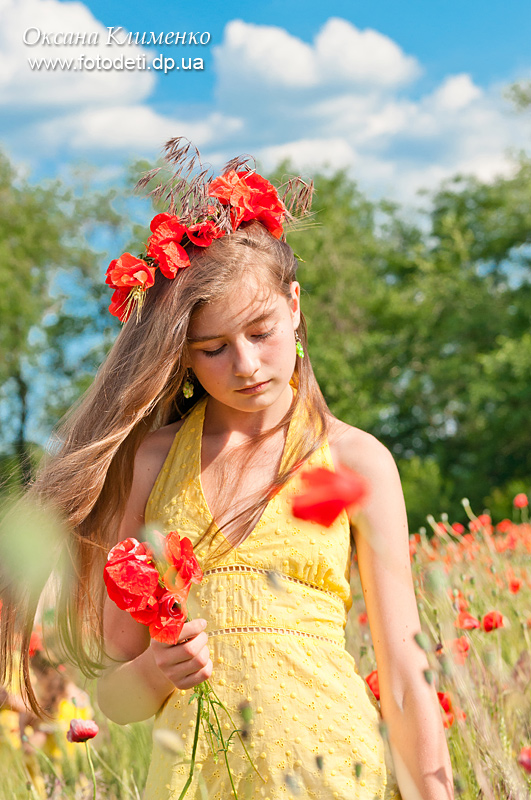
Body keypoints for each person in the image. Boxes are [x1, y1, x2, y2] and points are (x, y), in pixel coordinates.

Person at [2, 140, 454, 800]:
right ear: (180, 356)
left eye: (261, 331)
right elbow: (117, 696)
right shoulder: (151, 464)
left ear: (294, 307)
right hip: (194, 781)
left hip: (333, 774)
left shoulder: (357, 460)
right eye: (212, 348)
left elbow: (406, 674)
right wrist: (157, 674)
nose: (244, 364)